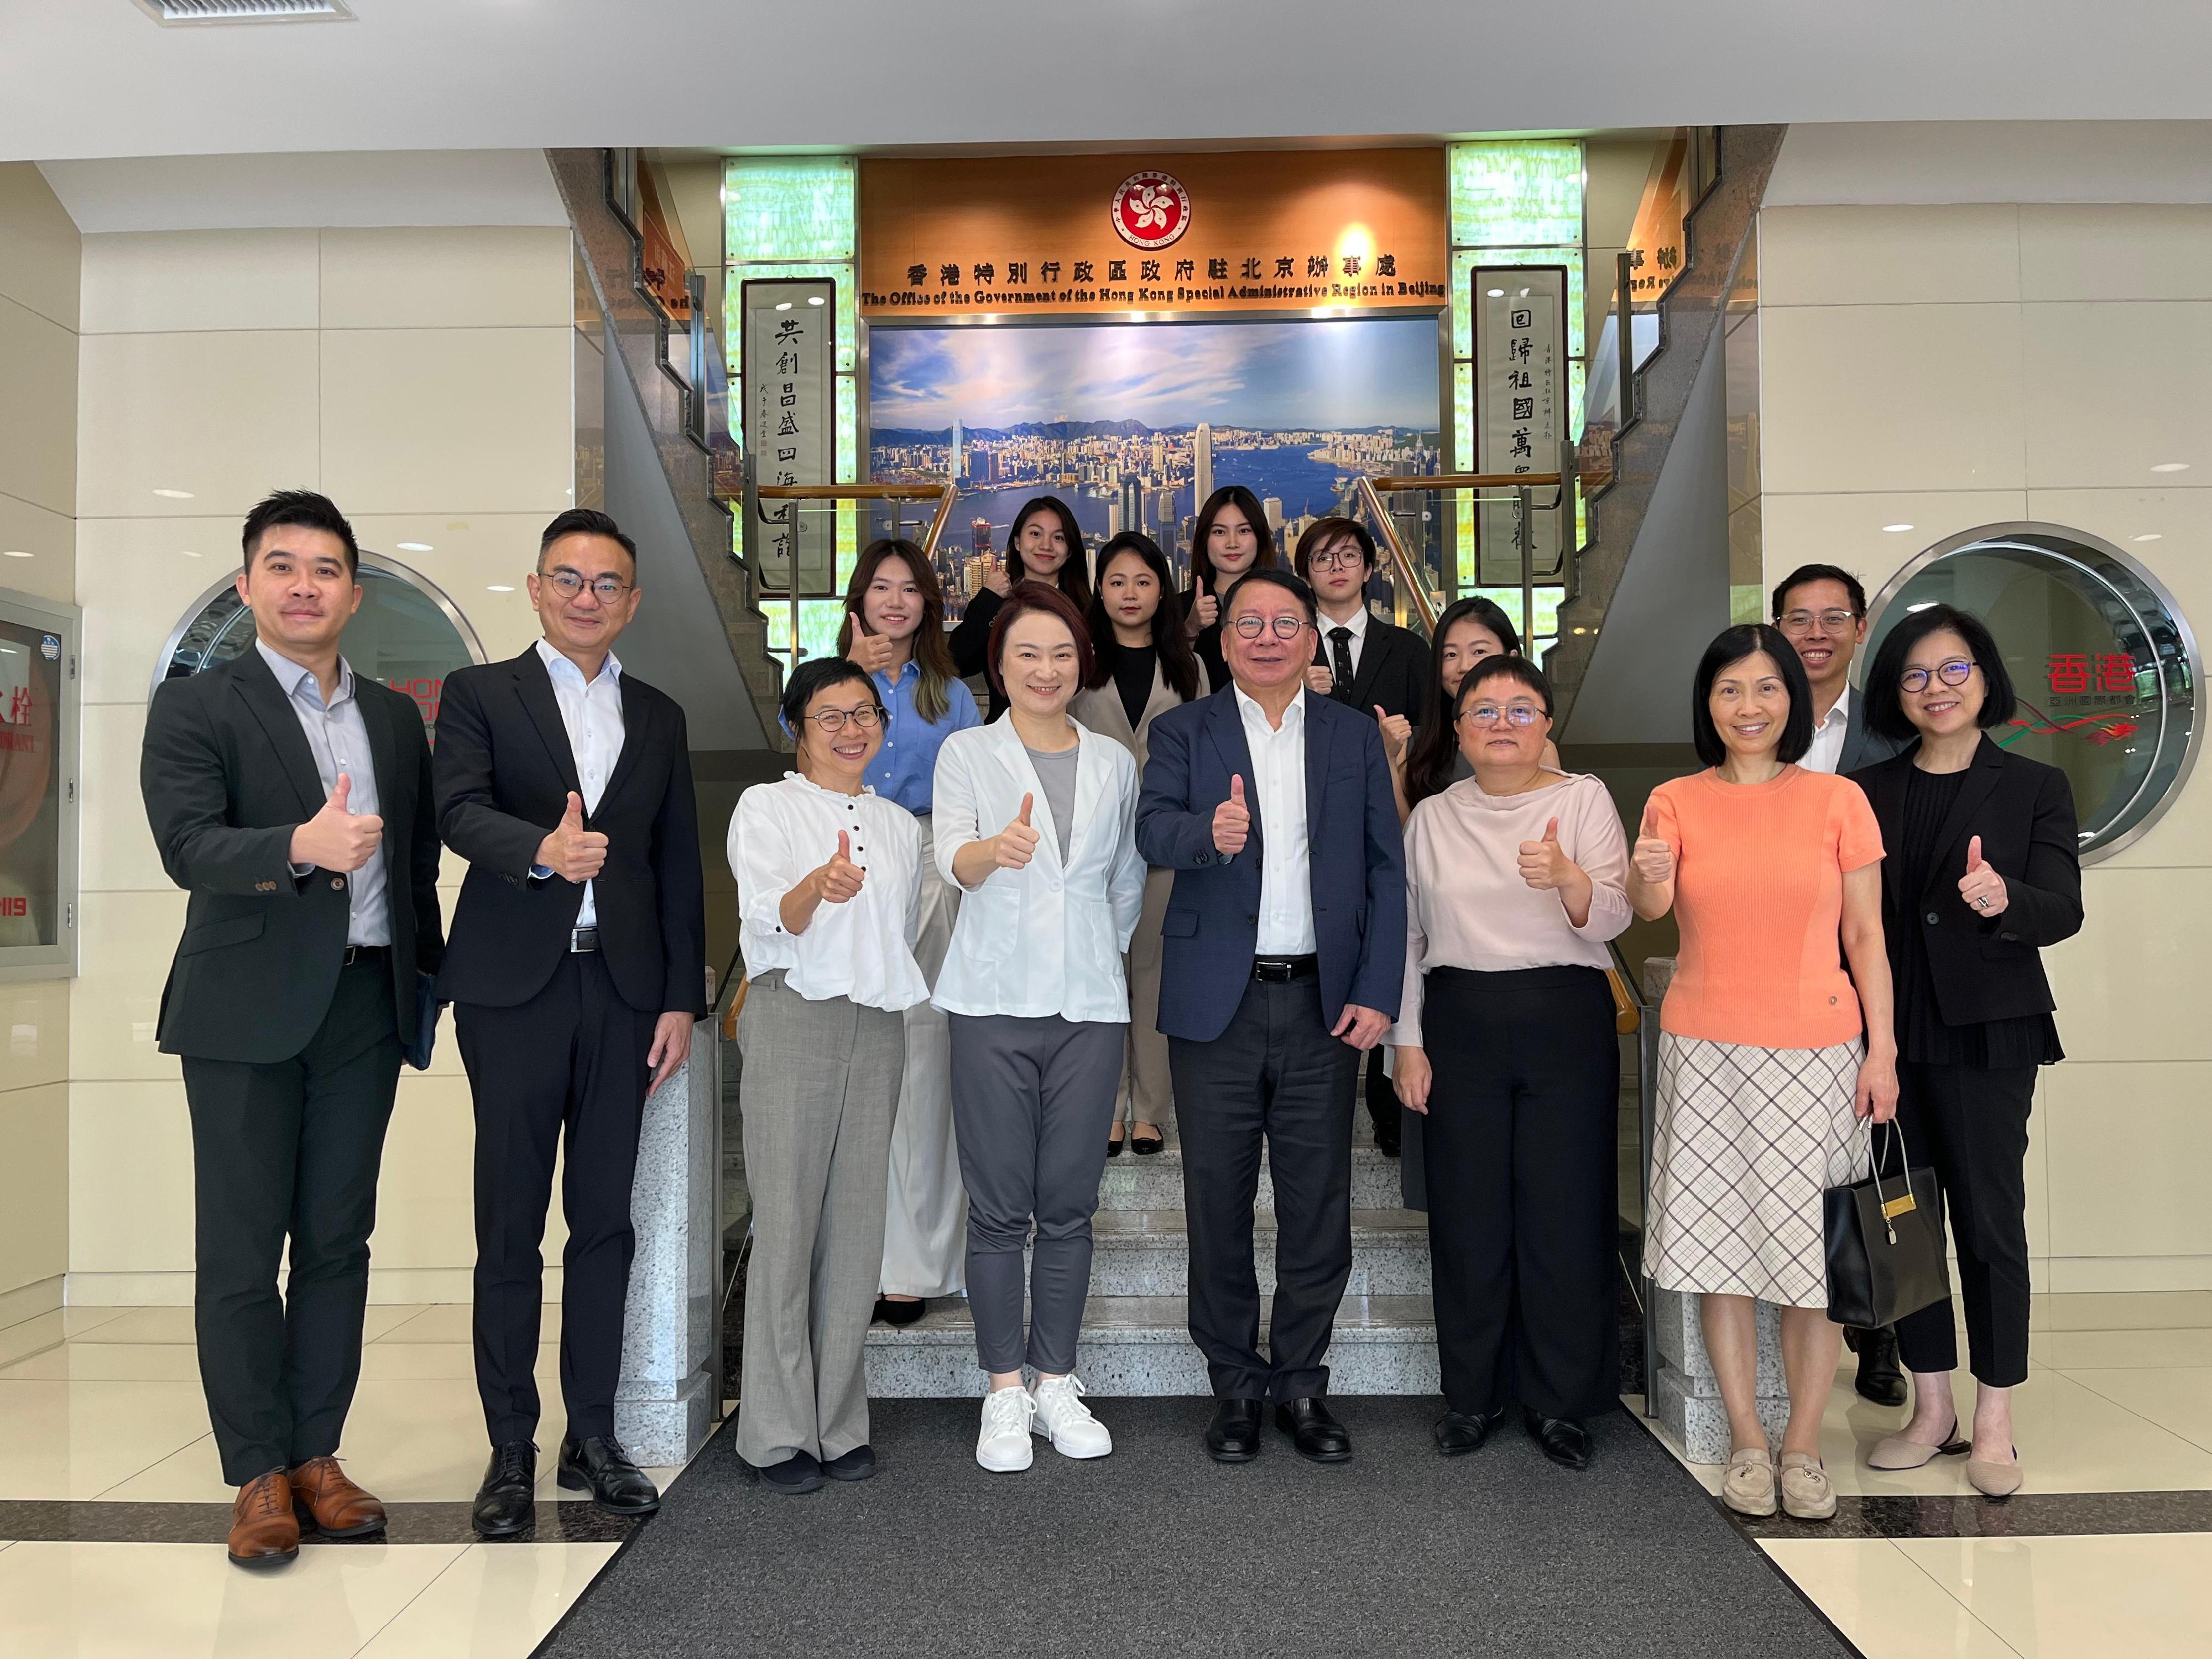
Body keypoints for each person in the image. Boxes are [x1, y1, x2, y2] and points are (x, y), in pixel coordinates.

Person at [140, 489, 445, 1570]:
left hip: (362, 1006)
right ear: (247, 587)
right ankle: (257, 1475)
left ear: (353, 594)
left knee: (334, 1244)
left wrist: (426, 985)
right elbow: (186, 847)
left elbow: (414, 871)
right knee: (237, 1251)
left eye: (324, 569)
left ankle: (318, 1456)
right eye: (282, 566)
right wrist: (300, 845)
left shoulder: (398, 719)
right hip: (239, 1012)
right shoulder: (198, 706)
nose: (304, 585)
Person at [434, 508, 707, 1537]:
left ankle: (591, 1437)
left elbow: (675, 865)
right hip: (514, 990)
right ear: (537, 588)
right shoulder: (478, 694)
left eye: (607, 584)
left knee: (606, 1221)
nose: (586, 597)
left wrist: (680, 995)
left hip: (627, 994)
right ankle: (509, 1447)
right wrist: (541, 851)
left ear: (631, 602)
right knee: (508, 1224)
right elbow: (455, 810)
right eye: (569, 579)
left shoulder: (662, 714)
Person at [1136, 568, 1405, 1465]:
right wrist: (1204, 837)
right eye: (1247, 621)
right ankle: (1235, 1388)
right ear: (1223, 638)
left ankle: (1299, 1383)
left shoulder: (1351, 737)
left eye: (1283, 621)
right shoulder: (1184, 731)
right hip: (1216, 1005)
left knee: (1316, 1205)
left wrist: (1378, 988)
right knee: (1215, 1204)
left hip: (1322, 1006)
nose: (1264, 635)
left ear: (1309, 633)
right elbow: (1151, 831)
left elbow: (1383, 869)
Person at [1631, 623, 1897, 1524]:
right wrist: (1642, 875)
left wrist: (1884, 1053)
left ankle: (1803, 1446)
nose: (1750, 707)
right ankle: (1749, 1440)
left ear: (1794, 696)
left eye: (1766, 688)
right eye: (1730, 691)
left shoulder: (1838, 803)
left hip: (1822, 1053)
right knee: (1723, 1256)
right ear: (1708, 704)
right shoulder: (1674, 800)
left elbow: (1867, 939)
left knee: (1814, 1264)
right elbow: (1653, 907)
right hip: (1706, 1051)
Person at [1850, 604, 2081, 1498]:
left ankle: (1995, 1418)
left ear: (1985, 678)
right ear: (1894, 694)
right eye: (1915, 675)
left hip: (1990, 1030)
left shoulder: (2034, 787)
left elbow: (2062, 908)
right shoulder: (1870, 791)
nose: (1935, 688)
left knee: (1990, 1222)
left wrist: (2002, 897)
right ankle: (1931, 1404)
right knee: (1900, 1222)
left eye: (1952, 670)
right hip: (1889, 1037)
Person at [1389, 656, 1631, 1469]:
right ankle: (1472, 1396)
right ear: (1456, 731)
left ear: (1547, 725)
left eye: (1521, 709)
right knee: (1470, 1218)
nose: (1501, 723)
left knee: (1564, 1216)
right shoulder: (1431, 817)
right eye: (1483, 709)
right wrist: (1408, 1043)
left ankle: (1562, 1403)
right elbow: (1411, 940)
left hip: (1566, 1019)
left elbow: (1615, 917)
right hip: (1460, 1022)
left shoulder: (1583, 798)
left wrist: (1569, 881)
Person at [932, 583, 1146, 1472]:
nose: (1046, 669)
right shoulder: (967, 753)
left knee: (1068, 1206)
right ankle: (1004, 1391)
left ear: (1080, 661)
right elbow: (951, 856)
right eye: (1028, 653)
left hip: (1089, 1007)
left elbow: (1124, 883)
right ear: (1002, 664)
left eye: (1061, 653)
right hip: (989, 1004)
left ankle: (1057, 1379)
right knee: (997, 1210)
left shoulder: (1112, 761)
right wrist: (995, 852)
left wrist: (1089, 950)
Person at [728, 659, 927, 1494]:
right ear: (796, 729)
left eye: (864, 713)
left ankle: (840, 1420)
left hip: (878, 1026)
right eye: (829, 716)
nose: (851, 730)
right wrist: (817, 884)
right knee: (786, 1227)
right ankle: (774, 1433)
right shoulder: (766, 806)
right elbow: (774, 914)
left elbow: (904, 932)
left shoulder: (898, 826)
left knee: (855, 1231)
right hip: (792, 1018)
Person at [1772, 562, 1911, 1406]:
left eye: (1833, 617)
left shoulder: (1895, 735)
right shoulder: (1754, 727)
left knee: (1875, 1167)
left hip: (1873, 968)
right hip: (1785, 978)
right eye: (1798, 618)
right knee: (1813, 1173)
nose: (1816, 633)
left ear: (1862, 630)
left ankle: (1882, 1332)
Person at [836, 539, 981, 1329]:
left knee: (924, 1067)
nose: (895, 602)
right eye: (880, 587)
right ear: (858, 598)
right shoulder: (826, 687)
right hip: (844, 871)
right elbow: (813, 773)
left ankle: (914, 1265)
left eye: (910, 590)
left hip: (928, 872)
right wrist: (855, 683)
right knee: (851, 1068)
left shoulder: (949, 695)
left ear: (929, 603)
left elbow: (970, 800)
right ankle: (847, 1254)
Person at [1071, 531, 1211, 1156]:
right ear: (1099, 590)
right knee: (1098, 972)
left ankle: (1150, 1108)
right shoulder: (1077, 660)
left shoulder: (1191, 664)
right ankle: (1103, 1106)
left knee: (1151, 974)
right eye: (1117, 581)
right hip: (1089, 842)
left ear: (1164, 589)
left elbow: (1207, 755)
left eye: (1144, 581)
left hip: (1164, 839)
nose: (1130, 593)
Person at [1293, 516, 1425, 1156]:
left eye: (1348, 556)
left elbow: (1434, 736)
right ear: (1306, 575)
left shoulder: (1407, 650)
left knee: (1388, 947)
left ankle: (1386, 1099)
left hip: (1384, 819)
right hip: (1305, 831)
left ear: (1369, 570)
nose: (1336, 567)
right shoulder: (1287, 649)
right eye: (1322, 559)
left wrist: (1401, 748)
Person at [950, 495, 1091, 720]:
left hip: (1077, 736)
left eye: (1058, 537)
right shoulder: (997, 605)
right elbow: (957, 664)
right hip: (1005, 740)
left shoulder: (1087, 612)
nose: (1046, 545)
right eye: (1035, 534)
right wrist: (990, 597)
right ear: (1017, 542)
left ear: (1070, 549)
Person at [1400, 596, 1528, 816]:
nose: (1464, 666)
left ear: (1512, 659)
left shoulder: (1538, 746)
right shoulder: (1408, 746)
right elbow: (1404, 835)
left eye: (1479, 652)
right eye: (1451, 655)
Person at [1181, 485, 1276, 692]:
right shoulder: (1179, 608)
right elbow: (1166, 685)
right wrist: (1191, 629)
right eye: (1220, 532)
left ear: (1259, 537)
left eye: (1244, 531)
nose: (1232, 543)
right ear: (1205, 540)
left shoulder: (1286, 606)